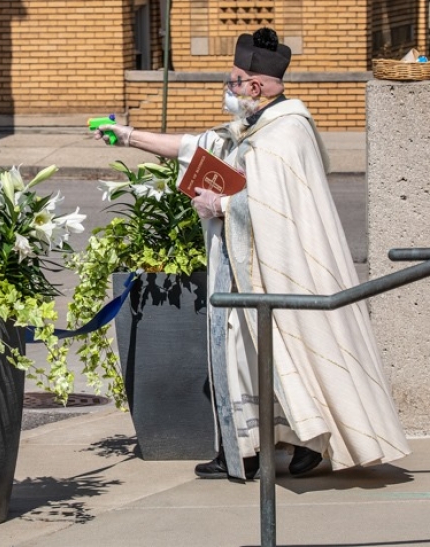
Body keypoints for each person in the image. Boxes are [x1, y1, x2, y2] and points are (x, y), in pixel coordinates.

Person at [95, 27, 411, 480]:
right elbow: (193, 146)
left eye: (233, 81)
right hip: (245, 269)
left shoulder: (286, 134)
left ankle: (310, 443)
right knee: (241, 357)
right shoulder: (252, 126)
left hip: (283, 270)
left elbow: (275, 203)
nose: (227, 89)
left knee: (292, 352)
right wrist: (125, 135)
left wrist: (218, 204)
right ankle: (243, 447)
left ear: (256, 87)